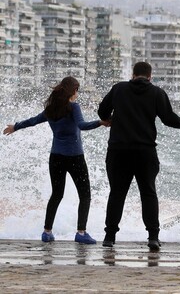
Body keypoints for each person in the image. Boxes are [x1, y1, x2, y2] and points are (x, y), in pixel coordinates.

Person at [98, 61, 180, 251]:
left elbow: (102, 111)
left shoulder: (119, 89)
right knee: (148, 193)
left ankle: (109, 237)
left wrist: (110, 120)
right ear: (149, 76)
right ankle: (153, 237)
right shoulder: (157, 93)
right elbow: (170, 119)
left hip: (118, 151)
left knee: (117, 193)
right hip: (145, 152)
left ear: (133, 74)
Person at [3, 76, 108, 244]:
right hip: (75, 157)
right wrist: (101, 122)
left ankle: (47, 232)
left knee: (56, 194)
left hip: (56, 157)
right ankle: (81, 233)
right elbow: (82, 125)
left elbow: (33, 121)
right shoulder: (74, 107)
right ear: (73, 91)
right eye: (77, 90)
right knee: (85, 195)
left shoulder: (51, 109)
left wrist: (15, 127)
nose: (77, 94)